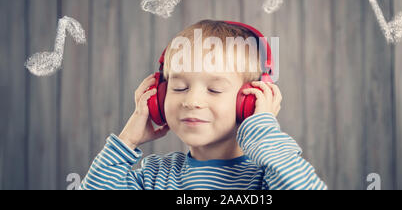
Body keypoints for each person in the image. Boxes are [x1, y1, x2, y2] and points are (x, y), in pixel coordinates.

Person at [79, 20, 327, 190]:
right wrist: (126, 142)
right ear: (159, 95)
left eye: (215, 89)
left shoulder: (267, 175)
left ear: (249, 100)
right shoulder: (156, 175)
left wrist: (263, 133)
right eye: (179, 88)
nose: (192, 101)